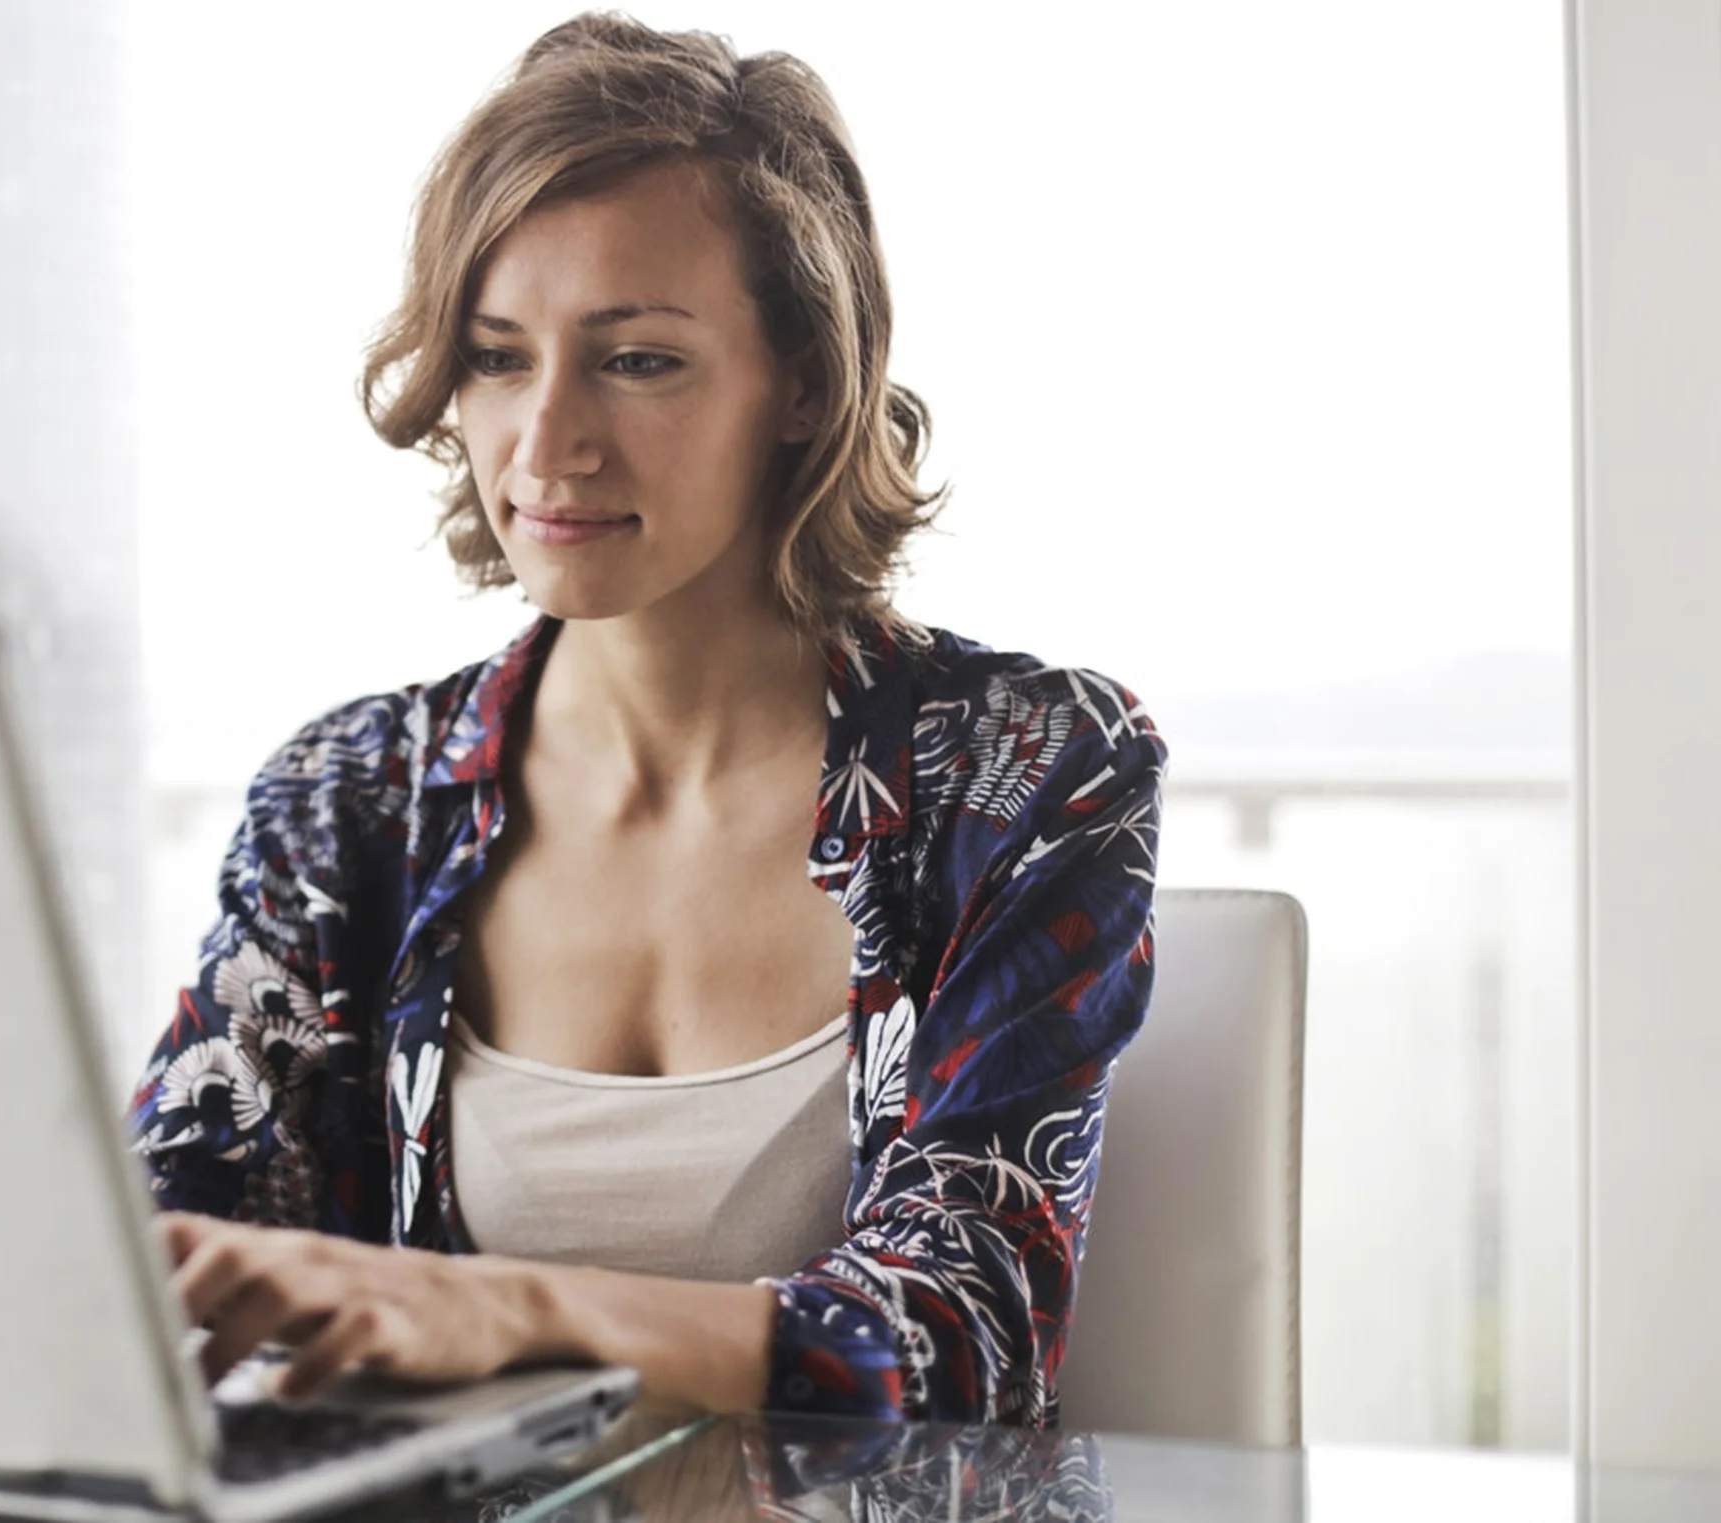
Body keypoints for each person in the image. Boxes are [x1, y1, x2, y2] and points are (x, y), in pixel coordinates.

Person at [129, 12, 1164, 1427]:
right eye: (497, 357)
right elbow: (158, 1260)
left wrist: (513, 1305)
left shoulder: (1025, 770)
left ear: (802, 380)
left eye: (638, 361)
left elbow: (969, 1332)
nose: (546, 442)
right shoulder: (353, 798)